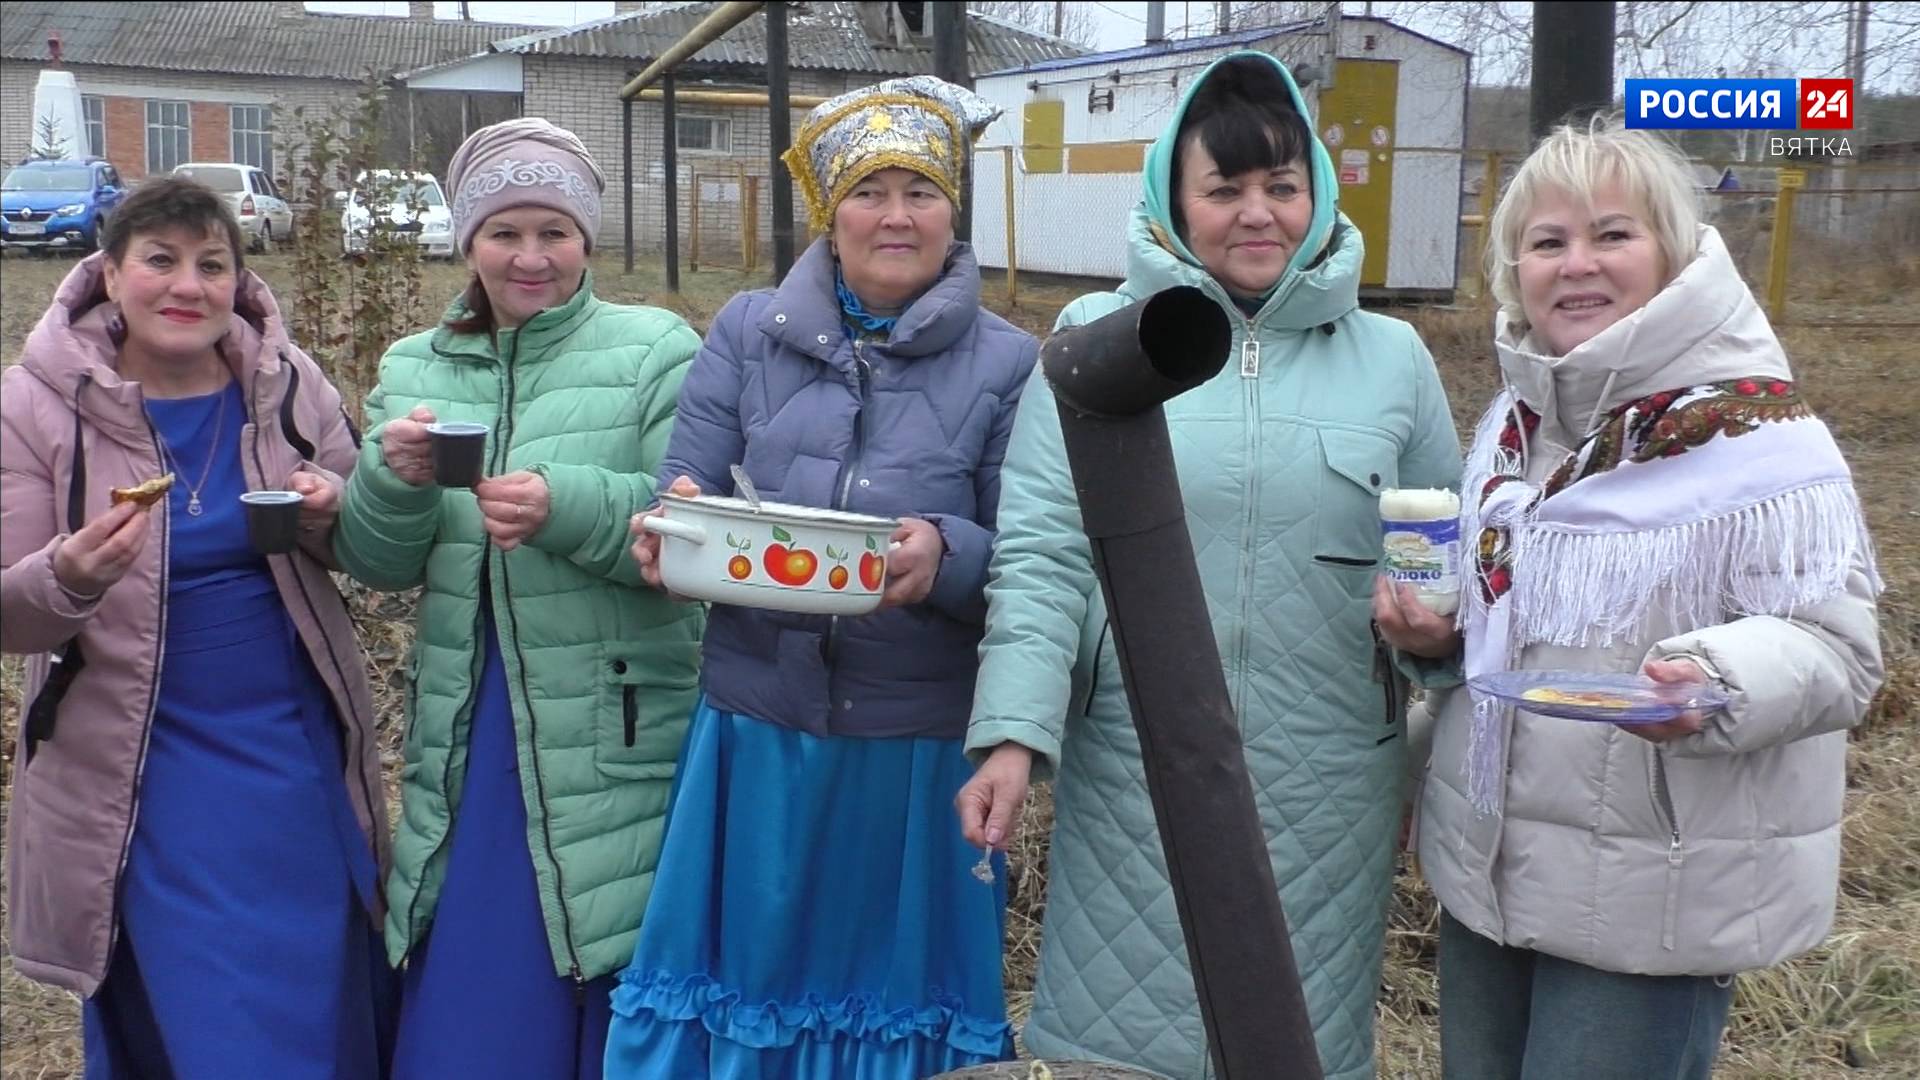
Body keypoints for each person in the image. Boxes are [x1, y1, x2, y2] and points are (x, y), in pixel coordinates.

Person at [955, 52, 1464, 1080]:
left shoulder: (1394, 360)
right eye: (1224, 189)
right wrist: (1012, 732)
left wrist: (1436, 642)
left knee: (1294, 1038)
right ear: (1173, 200)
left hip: (1328, 770)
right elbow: (1047, 552)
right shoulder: (1096, 342)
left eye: (1281, 185)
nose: (1256, 213)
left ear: (1316, 192)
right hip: (1137, 760)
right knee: (1120, 1030)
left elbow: (1441, 557)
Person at [1382, 117, 1883, 1080]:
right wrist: (1441, 633)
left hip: (1657, 891)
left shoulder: (1757, 433)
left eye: (1613, 234)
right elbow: (1508, 624)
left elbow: (1843, 653)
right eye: (1547, 241)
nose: (1578, 264)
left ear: (1673, 252)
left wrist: (1717, 678)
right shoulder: (1515, 426)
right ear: (1513, 267)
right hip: (1492, 873)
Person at [606, 76, 1036, 1077]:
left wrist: (943, 554)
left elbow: (1032, 556)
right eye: (869, 191)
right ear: (828, 211)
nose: (896, 216)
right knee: (747, 982)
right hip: (757, 728)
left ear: (952, 211)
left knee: (887, 999)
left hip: (914, 745)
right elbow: (690, 481)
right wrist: (669, 531)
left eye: (921, 191)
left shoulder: (1013, 363)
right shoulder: (747, 332)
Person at [329, 117, 705, 1080]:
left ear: (588, 239)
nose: (530, 257)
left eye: (555, 231)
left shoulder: (654, 349)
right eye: (505, 232)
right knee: (478, 976)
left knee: (601, 941)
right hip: (470, 716)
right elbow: (377, 562)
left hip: (610, 717)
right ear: (467, 241)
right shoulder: (415, 365)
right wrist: (395, 479)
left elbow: (697, 530)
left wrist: (565, 504)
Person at [1, 176, 394, 1078]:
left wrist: (337, 511)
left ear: (239, 280)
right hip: (142, 764)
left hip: (292, 751)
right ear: (109, 273)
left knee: (314, 989)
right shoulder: (36, 404)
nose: (189, 286)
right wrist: (67, 575)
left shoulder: (287, 386)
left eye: (212, 265)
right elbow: (9, 610)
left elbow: (373, 549)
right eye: (162, 261)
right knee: (213, 1014)